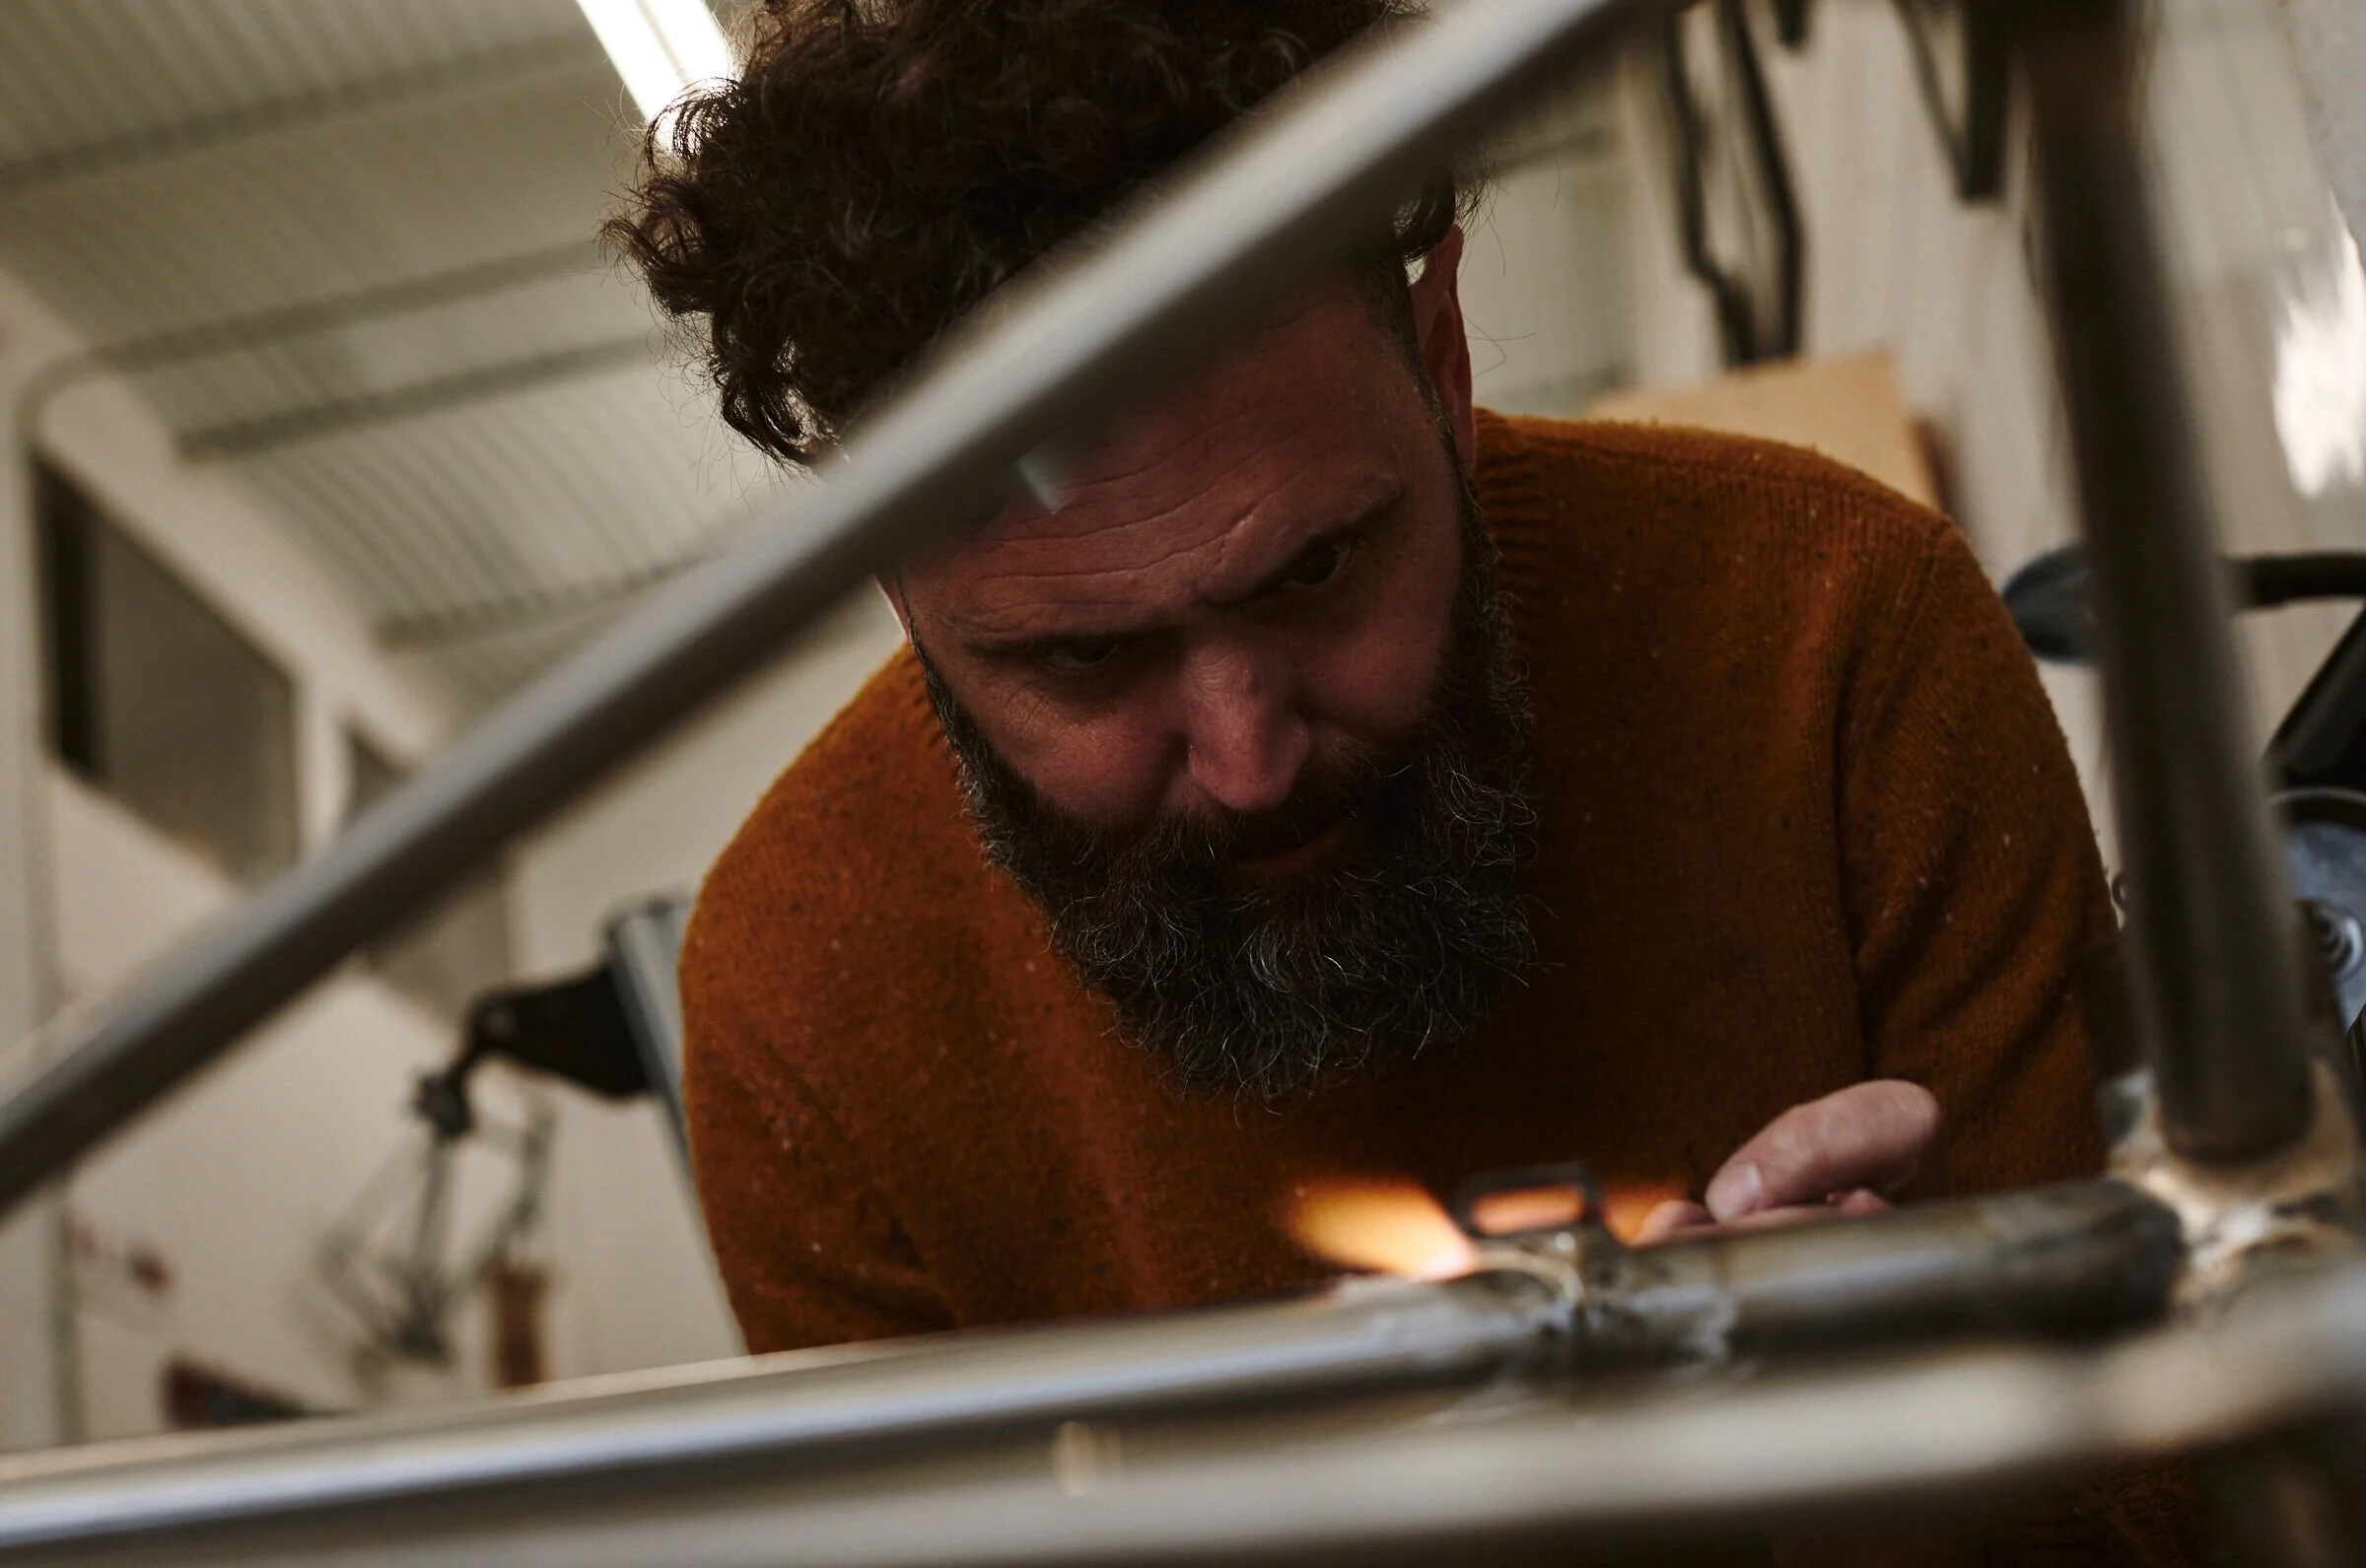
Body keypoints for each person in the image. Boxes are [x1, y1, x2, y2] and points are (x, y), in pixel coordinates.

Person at [611, 2, 2187, 1558]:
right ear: (900, 587)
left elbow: (2188, 1488)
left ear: (1442, 365)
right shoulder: (796, 995)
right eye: (1086, 660)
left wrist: (1912, 1490)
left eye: (1315, 571)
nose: (1246, 756)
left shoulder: (1838, 635)